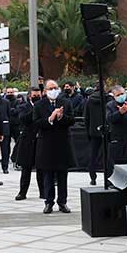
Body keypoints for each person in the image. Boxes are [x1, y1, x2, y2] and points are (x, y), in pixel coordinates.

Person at [33, 80, 74, 213]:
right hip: (46, 145)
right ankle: (48, 202)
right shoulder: (39, 105)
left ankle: (62, 202)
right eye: (50, 88)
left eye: (55, 88)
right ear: (45, 91)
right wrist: (50, 118)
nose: (53, 90)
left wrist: (62, 117)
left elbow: (72, 120)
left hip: (62, 143)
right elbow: (36, 123)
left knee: (63, 175)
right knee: (48, 175)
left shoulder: (66, 102)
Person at [13, 87, 44, 200]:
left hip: (40, 139)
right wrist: (35, 109)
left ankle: (43, 192)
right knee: (26, 168)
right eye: (34, 95)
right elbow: (23, 119)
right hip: (27, 140)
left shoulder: (43, 106)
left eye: (38, 95)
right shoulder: (23, 107)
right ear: (29, 96)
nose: (37, 97)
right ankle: (22, 192)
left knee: (41, 168)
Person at [83, 87, 105, 185]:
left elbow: (86, 117)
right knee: (107, 155)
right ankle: (108, 176)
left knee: (93, 155)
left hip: (93, 131)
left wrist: (88, 131)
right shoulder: (108, 99)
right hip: (106, 130)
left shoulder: (89, 101)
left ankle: (93, 177)